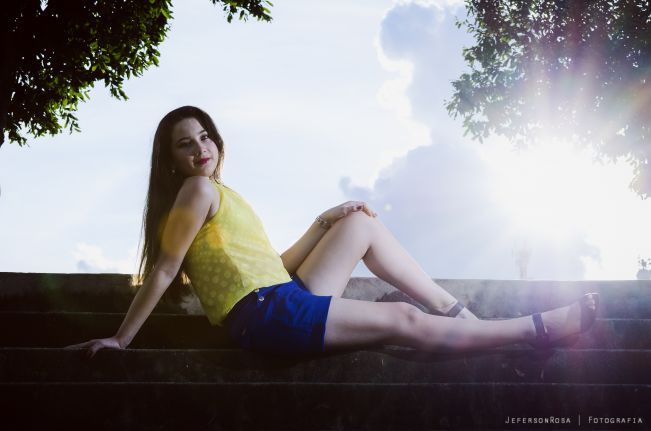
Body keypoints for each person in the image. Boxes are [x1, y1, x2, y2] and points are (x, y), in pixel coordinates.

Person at [65, 106, 599, 358]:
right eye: (186, 144)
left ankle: (462, 317)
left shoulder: (220, 194)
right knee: (402, 319)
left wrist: (322, 222)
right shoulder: (196, 191)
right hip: (265, 316)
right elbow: (163, 269)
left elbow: (274, 267)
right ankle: (534, 331)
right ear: (171, 160)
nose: (200, 148)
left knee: (358, 221)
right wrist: (121, 339)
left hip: (280, 296)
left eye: (205, 136)